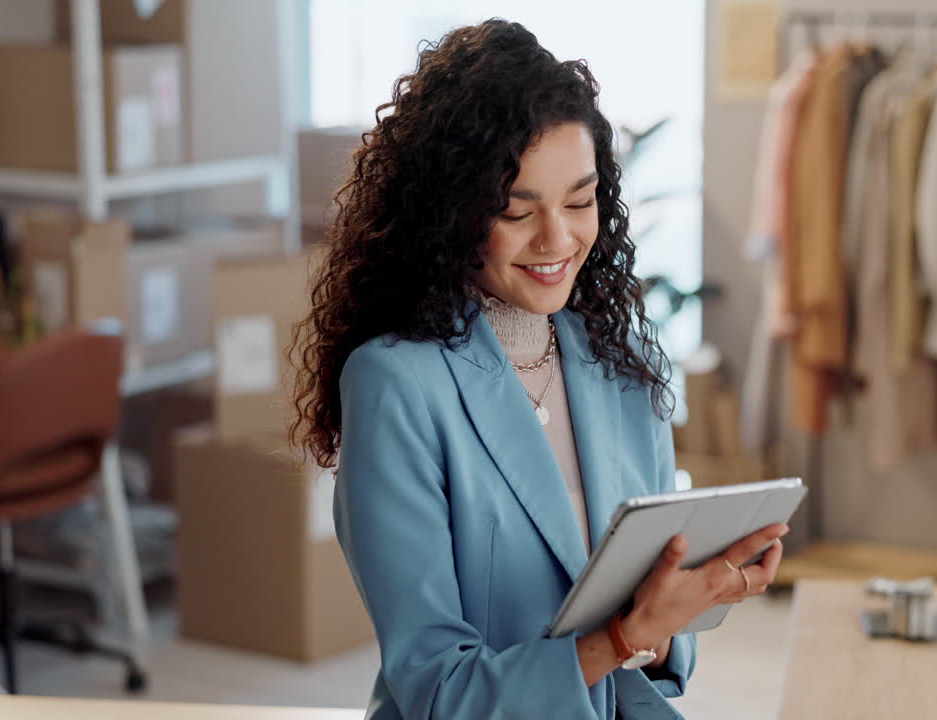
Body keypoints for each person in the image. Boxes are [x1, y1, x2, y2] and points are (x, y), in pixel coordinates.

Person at [290, 19, 787, 720]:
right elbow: (437, 690)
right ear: (449, 214)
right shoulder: (397, 384)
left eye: (580, 202)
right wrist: (623, 635)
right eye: (517, 212)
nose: (558, 239)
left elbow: (662, 667)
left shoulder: (624, 362)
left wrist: (684, 604)